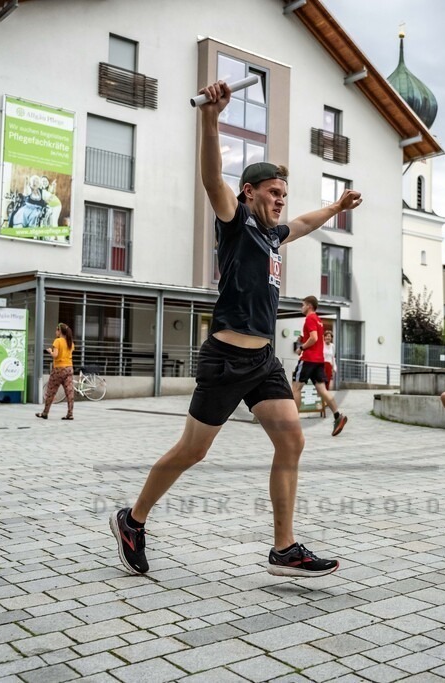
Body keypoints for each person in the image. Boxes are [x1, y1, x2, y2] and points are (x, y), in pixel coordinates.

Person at [109, 79, 362, 579]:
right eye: (273, 192)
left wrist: (335, 208)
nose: (280, 201)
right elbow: (210, 181)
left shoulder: (271, 235)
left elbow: (307, 224)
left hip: (264, 361)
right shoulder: (235, 220)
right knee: (193, 451)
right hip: (226, 358)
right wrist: (210, 117)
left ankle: (284, 549)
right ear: (250, 192)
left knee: (291, 440)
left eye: (284, 195)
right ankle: (133, 520)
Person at [291, 296, 347, 435]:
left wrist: (301, 347)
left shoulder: (310, 318)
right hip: (319, 360)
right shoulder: (319, 320)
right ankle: (337, 415)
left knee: (296, 388)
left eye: (302, 305)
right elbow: (316, 338)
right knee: (322, 390)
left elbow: (314, 338)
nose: (301, 307)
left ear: (309, 306)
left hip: (308, 359)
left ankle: (294, 424)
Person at [37, 322, 75, 420]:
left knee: (51, 391)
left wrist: (50, 351)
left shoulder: (57, 341)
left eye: (56, 330)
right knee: (69, 392)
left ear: (59, 331)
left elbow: (55, 355)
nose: (55, 332)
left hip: (59, 369)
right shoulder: (70, 342)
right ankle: (70, 414)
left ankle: (45, 413)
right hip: (69, 368)